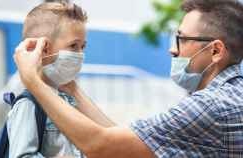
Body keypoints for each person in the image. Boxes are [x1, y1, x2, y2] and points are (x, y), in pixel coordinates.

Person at [13, 0, 243, 157]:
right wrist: (71, 89)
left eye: (181, 39)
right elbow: (124, 143)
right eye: (74, 47)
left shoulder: (210, 106)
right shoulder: (234, 93)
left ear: (215, 51)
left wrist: (31, 79)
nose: (172, 50)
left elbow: (102, 145)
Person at [6, 2, 98, 157]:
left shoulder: (70, 101)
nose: (80, 54)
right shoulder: (28, 104)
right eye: (74, 46)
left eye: (83, 47)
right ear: (44, 48)